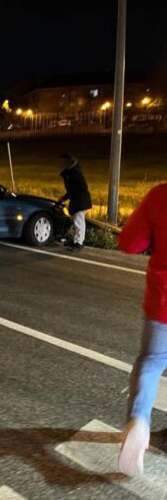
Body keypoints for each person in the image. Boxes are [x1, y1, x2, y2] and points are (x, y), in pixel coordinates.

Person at [118, 184, 167, 476]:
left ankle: (138, 422)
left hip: (163, 303)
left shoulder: (160, 195)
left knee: (150, 365)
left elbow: (130, 242)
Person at [58, 154, 92, 251]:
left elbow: (81, 187)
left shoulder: (74, 173)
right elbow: (72, 190)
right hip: (79, 200)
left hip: (81, 201)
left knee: (79, 221)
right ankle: (76, 241)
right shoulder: (70, 173)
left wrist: (67, 197)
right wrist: (64, 198)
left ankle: (79, 243)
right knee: (77, 221)